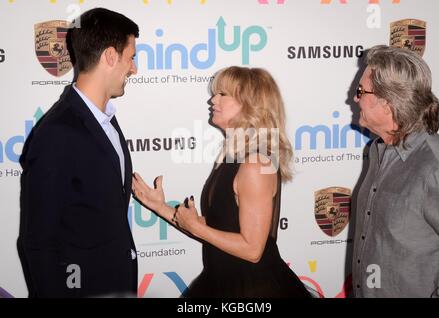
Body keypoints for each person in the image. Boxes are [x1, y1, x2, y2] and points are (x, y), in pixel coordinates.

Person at [132, 66, 313, 298]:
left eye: (223, 94)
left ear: (250, 104)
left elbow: (252, 249)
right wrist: (161, 207)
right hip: (223, 283)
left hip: (254, 292)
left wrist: (196, 226)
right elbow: (221, 227)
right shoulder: (233, 157)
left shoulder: (256, 163)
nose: (213, 100)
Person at [18, 8, 139, 297]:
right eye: (131, 57)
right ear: (110, 56)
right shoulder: (57, 132)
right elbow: (39, 241)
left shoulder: (104, 119)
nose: (134, 68)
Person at [352, 45, 439, 297]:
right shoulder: (378, 151)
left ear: (387, 103)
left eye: (361, 91)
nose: (355, 98)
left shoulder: (436, 168)